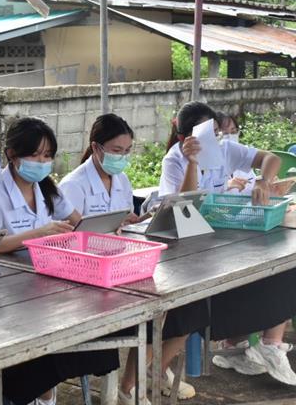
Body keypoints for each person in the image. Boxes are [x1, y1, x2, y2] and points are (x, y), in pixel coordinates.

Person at [0, 117, 119, 405]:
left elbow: (79, 223)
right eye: (34, 155)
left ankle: (44, 393)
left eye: (47, 156)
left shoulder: (47, 187)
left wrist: (107, 227)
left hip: (43, 280)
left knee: (88, 320)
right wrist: (38, 234)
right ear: (11, 154)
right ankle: (36, 394)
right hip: (2, 289)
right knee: (37, 340)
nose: (42, 162)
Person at [59, 114, 198, 404]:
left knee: (170, 302)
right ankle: (131, 384)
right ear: (96, 148)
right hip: (83, 272)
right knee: (149, 305)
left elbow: (120, 220)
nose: (122, 157)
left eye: (127, 151)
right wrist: (113, 225)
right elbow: (73, 233)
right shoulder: (74, 184)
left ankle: (136, 382)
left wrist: (135, 219)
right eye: (116, 151)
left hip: (118, 263)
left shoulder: (120, 178)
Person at [161, 101, 296, 386]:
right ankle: (244, 344)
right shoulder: (174, 160)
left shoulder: (224, 149)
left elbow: (270, 159)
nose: (217, 138)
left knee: (278, 269)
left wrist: (263, 180)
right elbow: (183, 206)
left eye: (216, 132)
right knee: (196, 304)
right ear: (185, 139)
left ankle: (247, 344)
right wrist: (192, 164)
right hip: (188, 245)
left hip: (222, 236)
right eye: (208, 134)